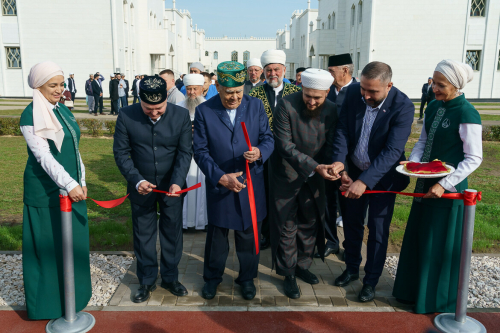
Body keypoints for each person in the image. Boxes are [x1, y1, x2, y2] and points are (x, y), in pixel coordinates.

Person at [393, 60, 482, 314]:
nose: (435, 89)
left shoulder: (467, 113)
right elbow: (422, 141)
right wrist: (413, 164)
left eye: (441, 85)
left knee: (437, 243)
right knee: (419, 237)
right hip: (424, 185)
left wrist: (444, 184)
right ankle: (410, 293)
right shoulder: (432, 106)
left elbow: (474, 158)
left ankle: (433, 302)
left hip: (448, 191)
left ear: (456, 86)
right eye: (434, 83)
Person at [331, 61, 414, 302]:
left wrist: (365, 182)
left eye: (373, 92)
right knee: (351, 224)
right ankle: (351, 268)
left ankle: (371, 281)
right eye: (363, 89)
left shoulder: (403, 106)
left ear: (389, 85)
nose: (366, 96)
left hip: (383, 179)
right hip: (353, 171)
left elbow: (392, 151)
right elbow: (342, 132)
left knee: (378, 231)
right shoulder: (352, 95)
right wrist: (340, 165)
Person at [193, 61, 274, 301]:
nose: (235, 97)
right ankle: (212, 278)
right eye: (229, 93)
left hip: (250, 181)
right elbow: (200, 151)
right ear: (217, 87)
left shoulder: (255, 105)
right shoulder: (205, 110)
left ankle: (247, 278)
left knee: (249, 234)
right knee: (217, 235)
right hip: (221, 182)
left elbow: (268, 138)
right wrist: (220, 177)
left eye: (239, 92)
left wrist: (260, 152)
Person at [20, 61, 91, 319]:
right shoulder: (30, 115)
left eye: (61, 84)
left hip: (71, 190)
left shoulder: (62, 110)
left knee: (74, 247)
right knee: (49, 252)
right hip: (46, 194)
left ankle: (74, 302)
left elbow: (74, 147)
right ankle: (47, 307)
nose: (60, 89)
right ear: (37, 86)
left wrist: (80, 179)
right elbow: (44, 157)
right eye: (53, 85)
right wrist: (69, 183)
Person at [113, 75, 192, 303]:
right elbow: (121, 153)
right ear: (140, 100)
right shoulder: (126, 115)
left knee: (172, 233)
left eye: (159, 108)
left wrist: (177, 181)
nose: (155, 113)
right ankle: (146, 280)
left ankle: (170, 277)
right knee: (143, 234)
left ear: (167, 98)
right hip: (141, 187)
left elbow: (185, 152)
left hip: (172, 187)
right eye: (149, 109)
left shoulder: (181, 115)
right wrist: (137, 180)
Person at [269, 69, 341, 299]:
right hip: (286, 173)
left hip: (317, 175)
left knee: (310, 221)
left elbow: (331, 144)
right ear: (302, 89)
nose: (311, 101)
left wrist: (330, 167)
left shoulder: (332, 109)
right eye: (307, 95)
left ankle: (303, 265)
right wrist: (315, 166)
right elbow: (284, 145)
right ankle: (288, 273)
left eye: (317, 98)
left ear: (327, 93)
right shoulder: (286, 105)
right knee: (287, 224)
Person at [249, 49, 301, 250]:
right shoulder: (254, 94)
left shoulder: (295, 93)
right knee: (264, 195)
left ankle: (283, 235)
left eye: (276, 69)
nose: (273, 74)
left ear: (284, 70)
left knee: (284, 197)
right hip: (263, 155)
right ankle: (265, 235)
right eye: (269, 70)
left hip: (288, 155)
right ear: (263, 71)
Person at [315, 54, 358, 259]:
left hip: (353, 159)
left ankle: (351, 246)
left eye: (331, 72)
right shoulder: (327, 91)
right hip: (327, 157)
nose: (329, 75)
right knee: (328, 201)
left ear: (345, 71)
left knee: (350, 204)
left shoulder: (359, 92)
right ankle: (331, 241)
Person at [176, 74, 208, 230]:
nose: (192, 92)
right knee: (185, 185)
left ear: (202, 89)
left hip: (203, 155)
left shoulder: (209, 106)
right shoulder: (178, 106)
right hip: (184, 155)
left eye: (195, 89)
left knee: (202, 188)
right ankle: (185, 223)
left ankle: (202, 222)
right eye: (189, 89)